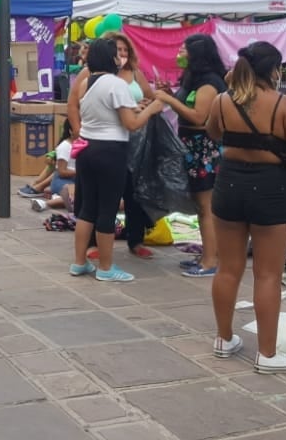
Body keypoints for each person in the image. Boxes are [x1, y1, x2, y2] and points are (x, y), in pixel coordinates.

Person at [206, 42, 286, 374]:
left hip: (228, 185)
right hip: (269, 187)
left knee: (227, 268)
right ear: (274, 70)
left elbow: (215, 132)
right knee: (268, 274)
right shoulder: (283, 105)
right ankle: (268, 355)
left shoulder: (222, 101)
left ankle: (223, 338)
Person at [69, 38, 164, 283]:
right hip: (110, 151)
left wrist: (135, 108)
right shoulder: (116, 84)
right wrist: (150, 110)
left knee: (87, 208)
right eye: (116, 54)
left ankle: (79, 262)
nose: (120, 58)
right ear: (111, 59)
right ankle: (106, 267)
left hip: (87, 149)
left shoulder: (86, 82)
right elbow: (131, 125)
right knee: (107, 210)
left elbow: (102, 112)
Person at [155, 34, 227, 278]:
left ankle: (209, 262)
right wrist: (170, 94)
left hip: (203, 147)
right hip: (190, 146)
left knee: (206, 207)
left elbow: (199, 117)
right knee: (200, 206)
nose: (180, 54)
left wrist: (167, 100)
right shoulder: (191, 79)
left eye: (184, 50)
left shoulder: (209, 82)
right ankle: (208, 254)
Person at [89, 31, 155, 260]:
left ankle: (135, 238)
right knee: (103, 196)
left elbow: (150, 97)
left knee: (134, 192)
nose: (122, 55)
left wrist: (146, 103)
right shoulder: (99, 77)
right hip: (110, 139)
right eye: (118, 51)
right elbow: (76, 103)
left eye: (126, 51)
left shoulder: (135, 73)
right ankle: (96, 245)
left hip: (135, 142)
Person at [26, 121, 77, 213]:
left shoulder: (82, 144)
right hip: (64, 181)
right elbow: (62, 171)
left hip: (74, 181)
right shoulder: (65, 147)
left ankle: (55, 196)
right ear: (71, 131)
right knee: (81, 197)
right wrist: (81, 171)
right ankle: (46, 203)